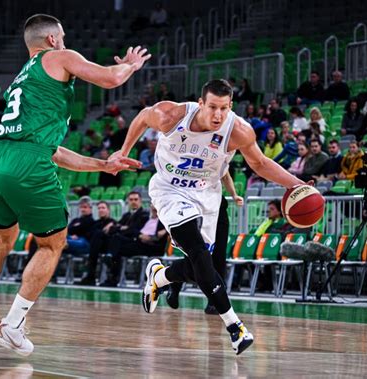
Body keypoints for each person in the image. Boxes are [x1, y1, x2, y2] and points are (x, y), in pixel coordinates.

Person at [0, 14, 147, 356]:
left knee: (1, 238)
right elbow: (110, 78)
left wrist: (104, 164)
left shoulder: (23, 78)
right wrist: (130, 66)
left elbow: (52, 150)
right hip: (24, 161)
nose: (66, 41)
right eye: (64, 36)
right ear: (54, 39)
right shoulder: (58, 57)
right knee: (52, 244)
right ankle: (12, 324)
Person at [112, 79, 306, 355]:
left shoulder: (238, 130)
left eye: (224, 108)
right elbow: (143, 117)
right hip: (170, 190)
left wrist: (295, 185)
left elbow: (260, 164)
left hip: (208, 196)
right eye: (213, 107)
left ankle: (160, 277)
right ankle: (235, 327)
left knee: (198, 266)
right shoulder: (172, 115)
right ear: (201, 104)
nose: (218, 115)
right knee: (199, 253)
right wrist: (123, 152)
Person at [165, 171, 244, 314]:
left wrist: (233, 194)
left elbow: (226, 175)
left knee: (219, 257)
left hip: (218, 209)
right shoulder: (190, 157)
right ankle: (175, 280)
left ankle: (214, 301)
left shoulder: (219, 153)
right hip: (196, 209)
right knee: (196, 258)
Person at [103, 204, 167, 286]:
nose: (154, 207)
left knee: (117, 248)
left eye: (155, 205)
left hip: (151, 246)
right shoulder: (145, 218)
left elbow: (161, 236)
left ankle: (110, 261)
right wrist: (140, 235)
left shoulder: (164, 221)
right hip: (138, 242)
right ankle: (111, 263)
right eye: (152, 205)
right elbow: (134, 230)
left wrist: (162, 232)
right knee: (116, 241)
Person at [76, 201, 116, 285]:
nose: (100, 210)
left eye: (103, 208)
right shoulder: (95, 223)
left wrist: (109, 228)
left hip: (107, 247)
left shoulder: (113, 222)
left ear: (108, 210)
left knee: (97, 235)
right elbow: (88, 234)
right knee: (96, 237)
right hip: (95, 247)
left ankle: (91, 276)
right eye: (99, 208)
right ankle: (90, 276)